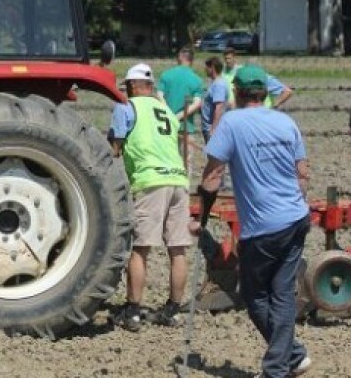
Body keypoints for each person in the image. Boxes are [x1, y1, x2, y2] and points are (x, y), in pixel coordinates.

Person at [196, 64, 313, 378]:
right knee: (281, 292)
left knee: (254, 294)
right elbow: (302, 175)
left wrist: (203, 216)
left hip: (263, 228)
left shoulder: (232, 123)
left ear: (237, 92)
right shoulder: (286, 122)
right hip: (296, 220)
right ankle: (294, 355)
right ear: (265, 92)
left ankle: (276, 368)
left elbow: (213, 176)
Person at [108, 63, 191, 331]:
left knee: (141, 248)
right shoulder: (165, 110)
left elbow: (114, 150)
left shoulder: (126, 108)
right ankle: (173, 311)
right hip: (178, 179)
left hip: (150, 181)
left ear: (132, 86)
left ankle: (132, 311)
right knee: (177, 250)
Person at [157, 47, 203, 152]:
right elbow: (197, 103)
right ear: (191, 60)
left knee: (167, 159)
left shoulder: (166, 75)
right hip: (186, 127)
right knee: (186, 163)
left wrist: (170, 115)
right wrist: (178, 116)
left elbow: (159, 95)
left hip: (167, 125)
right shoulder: (197, 80)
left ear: (179, 58)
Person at [200, 57, 229, 142]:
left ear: (212, 68)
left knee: (214, 155)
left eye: (207, 67)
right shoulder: (214, 83)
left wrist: (213, 129)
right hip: (208, 128)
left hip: (213, 130)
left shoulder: (219, 85)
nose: (205, 70)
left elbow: (219, 107)